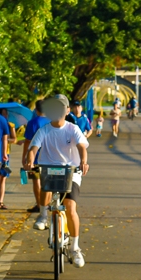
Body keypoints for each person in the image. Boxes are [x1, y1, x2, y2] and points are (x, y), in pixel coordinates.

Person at [26, 94, 91, 267]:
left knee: (70, 207)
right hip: (50, 170)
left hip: (71, 171)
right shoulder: (44, 130)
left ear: (67, 110)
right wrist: (30, 159)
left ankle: (75, 248)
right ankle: (43, 216)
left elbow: (82, 147)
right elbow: (34, 147)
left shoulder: (73, 129)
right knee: (44, 185)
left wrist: (83, 161)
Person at [22, 100, 49, 214]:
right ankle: (46, 205)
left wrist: (25, 156)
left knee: (36, 181)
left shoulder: (33, 122)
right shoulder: (52, 121)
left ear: (36, 110)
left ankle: (39, 204)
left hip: (35, 157)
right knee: (48, 183)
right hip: (49, 157)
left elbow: (28, 142)